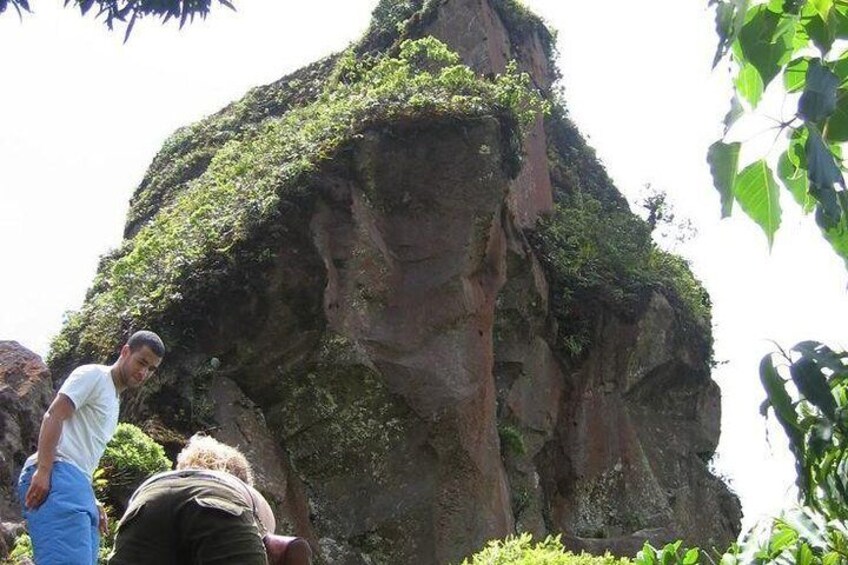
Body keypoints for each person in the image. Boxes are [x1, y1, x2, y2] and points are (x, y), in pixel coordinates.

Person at [17, 330, 165, 565]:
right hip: (58, 474)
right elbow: (54, 415)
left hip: (77, 484)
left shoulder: (114, 401)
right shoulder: (94, 375)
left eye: (151, 369)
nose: (143, 372)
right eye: (141, 362)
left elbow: (81, 447)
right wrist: (44, 469)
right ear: (125, 352)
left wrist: (91, 498)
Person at [108, 434, 279, 565]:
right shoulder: (234, 489)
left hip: (147, 500)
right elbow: (271, 544)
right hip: (219, 503)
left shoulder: (170, 479)